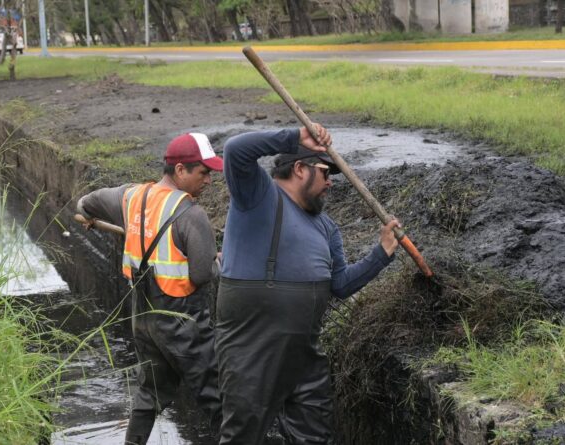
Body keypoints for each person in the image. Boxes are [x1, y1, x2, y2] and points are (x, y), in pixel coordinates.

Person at [215, 124, 400, 444]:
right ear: (299, 168)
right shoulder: (257, 194)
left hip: (304, 350)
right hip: (255, 346)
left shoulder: (326, 227)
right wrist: (292, 137)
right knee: (243, 434)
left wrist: (380, 255)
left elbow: (340, 285)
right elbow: (235, 149)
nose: (330, 182)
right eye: (325, 172)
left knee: (314, 435)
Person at [76, 133, 224, 444]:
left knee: (149, 391)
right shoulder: (191, 215)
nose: (209, 181)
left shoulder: (131, 197)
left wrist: (90, 218)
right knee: (217, 395)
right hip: (184, 322)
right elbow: (201, 274)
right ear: (181, 170)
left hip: (143, 316)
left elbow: (85, 204)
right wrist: (218, 261)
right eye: (204, 172)